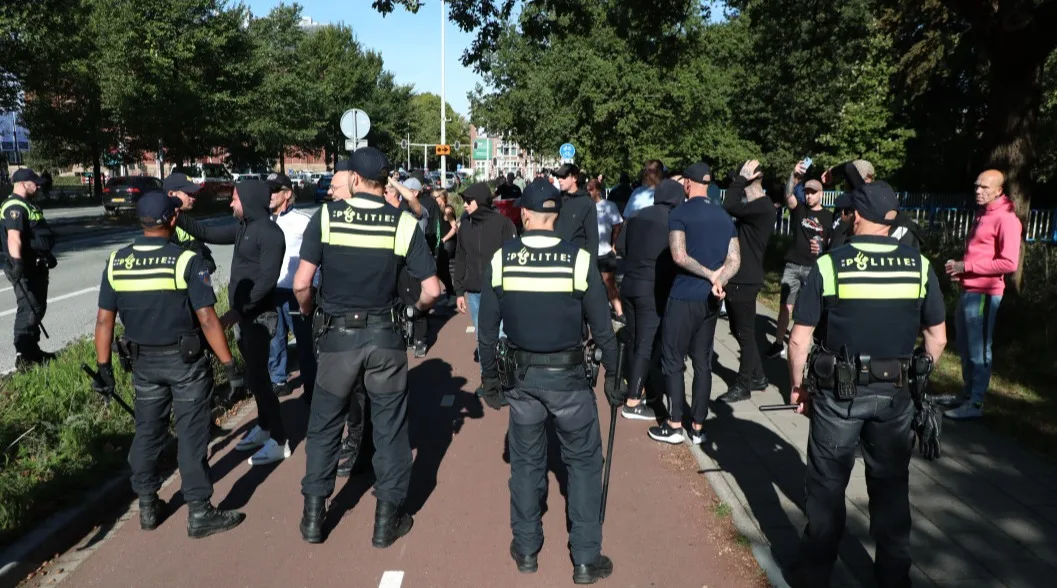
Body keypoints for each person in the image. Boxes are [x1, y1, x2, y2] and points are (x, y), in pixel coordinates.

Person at [786, 181, 947, 587]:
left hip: (838, 394)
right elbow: (937, 337)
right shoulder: (920, 265)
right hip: (895, 395)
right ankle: (894, 574)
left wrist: (797, 387)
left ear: (857, 215)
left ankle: (814, 572)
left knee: (826, 483)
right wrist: (918, 379)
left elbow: (799, 338)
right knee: (891, 484)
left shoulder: (830, 264)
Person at [477, 178, 623, 584]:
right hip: (571, 382)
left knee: (525, 465)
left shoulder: (503, 259)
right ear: (556, 216)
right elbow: (603, 326)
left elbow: (487, 328)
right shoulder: (578, 260)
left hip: (522, 380)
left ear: (523, 214)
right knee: (583, 466)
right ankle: (585, 559)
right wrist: (614, 374)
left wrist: (489, 377)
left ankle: (526, 550)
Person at [294, 147, 440, 547]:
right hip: (385, 340)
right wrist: (413, 309)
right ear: (383, 181)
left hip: (337, 340)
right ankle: (385, 521)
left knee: (324, 426)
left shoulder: (325, 218)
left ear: (354, 180)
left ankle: (312, 518)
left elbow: (302, 284)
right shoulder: (403, 224)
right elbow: (432, 290)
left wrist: (311, 314)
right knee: (391, 430)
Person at [92, 191, 246, 538]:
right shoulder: (185, 261)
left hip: (143, 363)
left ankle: (147, 504)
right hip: (185, 362)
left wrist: (104, 370)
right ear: (173, 220)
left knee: (148, 431)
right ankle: (199, 512)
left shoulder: (116, 262)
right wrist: (230, 366)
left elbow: (104, 322)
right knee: (192, 435)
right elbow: (207, 319)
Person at [653, 162, 740, 446]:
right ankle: (699, 426)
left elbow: (678, 255)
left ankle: (676, 422)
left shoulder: (680, 214)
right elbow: (735, 260)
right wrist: (719, 279)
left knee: (674, 360)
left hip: (683, 296)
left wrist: (707, 274)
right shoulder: (724, 216)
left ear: (688, 184)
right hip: (711, 300)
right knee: (703, 362)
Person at [943, 169, 1022, 420]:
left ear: (999, 191)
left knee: (979, 349)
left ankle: (976, 403)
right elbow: (981, 255)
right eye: (977, 186)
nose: (978, 191)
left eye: (985, 188)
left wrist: (967, 267)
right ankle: (967, 395)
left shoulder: (1006, 218)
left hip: (986, 294)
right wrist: (962, 272)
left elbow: (1009, 263)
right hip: (969, 289)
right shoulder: (982, 214)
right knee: (964, 346)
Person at [616, 178, 683, 421]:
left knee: (635, 340)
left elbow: (620, 248)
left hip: (629, 284)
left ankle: (641, 388)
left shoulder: (636, 217)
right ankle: (633, 401)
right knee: (646, 344)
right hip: (651, 287)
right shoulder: (674, 221)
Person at [716, 160, 776, 403]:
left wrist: (740, 178)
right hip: (741, 277)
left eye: (740, 180)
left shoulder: (762, 206)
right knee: (740, 331)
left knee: (745, 333)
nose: (735, 184)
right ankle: (759, 377)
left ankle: (743, 385)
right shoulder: (756, 207)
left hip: (745, 278)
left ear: (751, 180)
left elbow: (728, 204)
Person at [768, 162, 833, 359]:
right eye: (806, 192)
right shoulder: (799, 210)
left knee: (811, 310)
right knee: (785, 307)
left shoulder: (829, 217)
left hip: (814, 267)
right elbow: (788, 195)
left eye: (813, 192)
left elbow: (831, 242)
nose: (809, 195)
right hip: (793, 265)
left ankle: (811, 346)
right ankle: (779, 343)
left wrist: (822, 246)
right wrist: (794, 175)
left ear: (821, 194)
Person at [265, 173, 318, 401]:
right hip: (271, 291)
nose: (270, 195)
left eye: (275, 190)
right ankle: (278, 381)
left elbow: (316, 257)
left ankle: (311, 384)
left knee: (304, 340)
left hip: (295, 292)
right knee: (274, 339)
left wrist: (313, 286)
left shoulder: (302, 221)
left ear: (287, 194)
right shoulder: (264, 222)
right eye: (269, 190)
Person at [453, 182, 518, 360]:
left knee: (502, 335)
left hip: (500, 290)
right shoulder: (465, 225)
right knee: (482, 338)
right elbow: (460, 257)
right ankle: (487, 378)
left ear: (480, 201)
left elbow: (513, 258)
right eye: (464, 201)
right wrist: (459, 291)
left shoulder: (503, 224)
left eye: (468, 200)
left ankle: (505, 376)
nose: (465, 204)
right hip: (475, 292)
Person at [2, 168, 56, 368]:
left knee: (37, 308)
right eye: (35, 182)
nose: (38, 185)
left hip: (36, 266)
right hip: (24, 269)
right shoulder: (14, 206)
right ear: (23, 183)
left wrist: (46, 255)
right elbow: (14, 237)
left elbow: (35, 236)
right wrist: (17, 264)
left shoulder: (28, 204)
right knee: (29, 309)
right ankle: (23, 357)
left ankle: (33, 351)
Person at [825, 161, 922, 250]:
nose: (850, 184)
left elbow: (848, 167)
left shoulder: (874, 206)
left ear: (870, 179)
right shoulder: (842, 204)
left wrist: (832, 172)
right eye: (848, 180)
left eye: (853, 179)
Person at [389, 176, 432, 357]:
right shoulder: (395, 211)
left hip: (415, 263)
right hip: (399, 262)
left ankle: (420, 340)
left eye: (403, 191)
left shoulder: (419, 212)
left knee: (418, 303)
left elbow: (412, 201)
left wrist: (394, 183)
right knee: (399, 302)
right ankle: (405, 335)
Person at [164, 172, 219, 274]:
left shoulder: (184, 219)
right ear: (171, 194)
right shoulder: (163, 224)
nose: (193, 198)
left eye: (194, 194)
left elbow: (207, 260)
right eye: (188, 193)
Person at [588, 178, 624, 321]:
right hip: (590, 252)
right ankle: (595, 314)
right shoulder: (586, 206)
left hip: (605, 251)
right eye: (587, 189)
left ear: (598, 190)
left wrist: (614, 246)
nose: (588, 192)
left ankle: (620, 313)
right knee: (592, 285)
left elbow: (617, 226)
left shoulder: (609, 206)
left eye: (591, 189)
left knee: (610, 284)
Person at [553, 163, 599, 256]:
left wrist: (591, 266)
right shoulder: (556, 200)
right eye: (558, 177)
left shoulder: (587, 203)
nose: (559, 180)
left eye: (563, 176)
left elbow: (592, 239)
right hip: (556, 257)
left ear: (574, 178)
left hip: (576, 258)